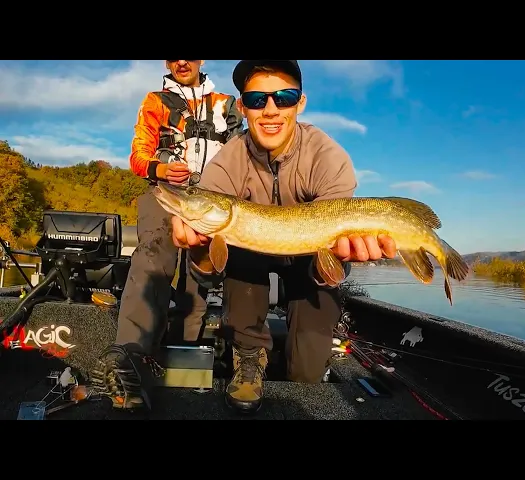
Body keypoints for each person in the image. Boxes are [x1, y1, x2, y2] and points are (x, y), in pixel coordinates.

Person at [172, 60, 397, 414]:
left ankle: (306, 368)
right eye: (257, 100)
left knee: (307, 373)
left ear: (300, 102)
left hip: (310, 260)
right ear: (242, 107)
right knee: (240, 258)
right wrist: (198, 249)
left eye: (284, 97)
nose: (270, 110)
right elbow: (208, 274)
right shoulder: (227, 163)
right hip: (250, 262)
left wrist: (341, 257)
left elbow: (331, 266)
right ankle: (248, 356)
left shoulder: (327, 157)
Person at [90, 60, 244, 410]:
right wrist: (160, 168)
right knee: (152, 260)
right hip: (166, 194)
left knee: (198, 280)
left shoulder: (227, 103)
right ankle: (130, 360)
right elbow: (137, 157)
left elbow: (241, 156)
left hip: (213, 199)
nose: (181, 62)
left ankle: (183, 369)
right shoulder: (154, 101)